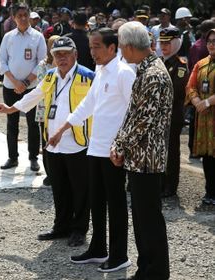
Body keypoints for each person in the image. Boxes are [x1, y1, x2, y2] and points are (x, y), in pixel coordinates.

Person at [0, 36, 94, 247]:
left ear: (75, 54)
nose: (62, 58)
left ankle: (79, 229)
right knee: (59, 187)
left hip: (78, 142)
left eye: (66, 54)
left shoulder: (88, 77)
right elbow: (35, 96)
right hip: (53, 143)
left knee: (80, 189)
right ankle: (61, 226)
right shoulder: (50, 76)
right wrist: (11, 108)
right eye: (58, 54)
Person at [60, 27, 135, 273]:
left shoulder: (124, 73)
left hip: (114, 151)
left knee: (115, 203)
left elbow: (133, 113)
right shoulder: (100, 71)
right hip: (95, 147)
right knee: (97, 201)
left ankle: (119, 254)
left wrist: (123, 145)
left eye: (97, 47)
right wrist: (64, 126)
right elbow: (88, 103)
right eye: (90, 47)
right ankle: (98, 248)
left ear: (113, 48)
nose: (92, 52)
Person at [111, 21, 173, 280]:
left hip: (147, 158)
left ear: (128, 46)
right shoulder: (146, 70)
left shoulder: (153, 75)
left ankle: (156, 272)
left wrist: (120, 145)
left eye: (122, 48)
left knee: (148, 219)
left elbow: (141, 121)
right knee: (141, 217)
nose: (121, 53)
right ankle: (146, 267)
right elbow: (133, 113)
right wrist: (119, 144)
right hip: (140, 157)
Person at [0, 3, 46, 172]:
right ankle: (12, 157)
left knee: (33, 123)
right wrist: (15, 81)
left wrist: (25, 83)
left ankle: (33, 157)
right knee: (12, 122)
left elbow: (42, 63)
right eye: (20, 16)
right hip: (10, 86)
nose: (23, 18)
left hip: (31, 87)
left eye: (26, 15)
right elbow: (2, 61)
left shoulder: (38, 37)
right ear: (14, 18)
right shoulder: (8, 37)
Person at [158, 27, 189, 198]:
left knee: (172, 152)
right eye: (162, 42)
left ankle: (171, 185)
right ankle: (161, 182)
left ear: (176, 43)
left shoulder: (180, 66)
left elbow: (176, 90)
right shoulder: (159, 62)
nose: (164, 46)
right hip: (159, 116)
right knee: (160, 150)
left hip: (173, 115)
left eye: (168, 43)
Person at [186, 29, 215, 205]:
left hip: (210, 111)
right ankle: (209, 192)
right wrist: (197, 101)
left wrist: (208, 103)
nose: (212, 44)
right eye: (209, 41)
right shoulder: (201, 64)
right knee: (207, 156)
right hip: (204, 119)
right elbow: (190, 86)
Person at [36, 35, 60, 186]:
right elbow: (42, 85)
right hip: (44, 108)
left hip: (61, 108)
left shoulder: (67, 64)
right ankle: (49, 173)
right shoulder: (43, 64)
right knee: (46, 141)